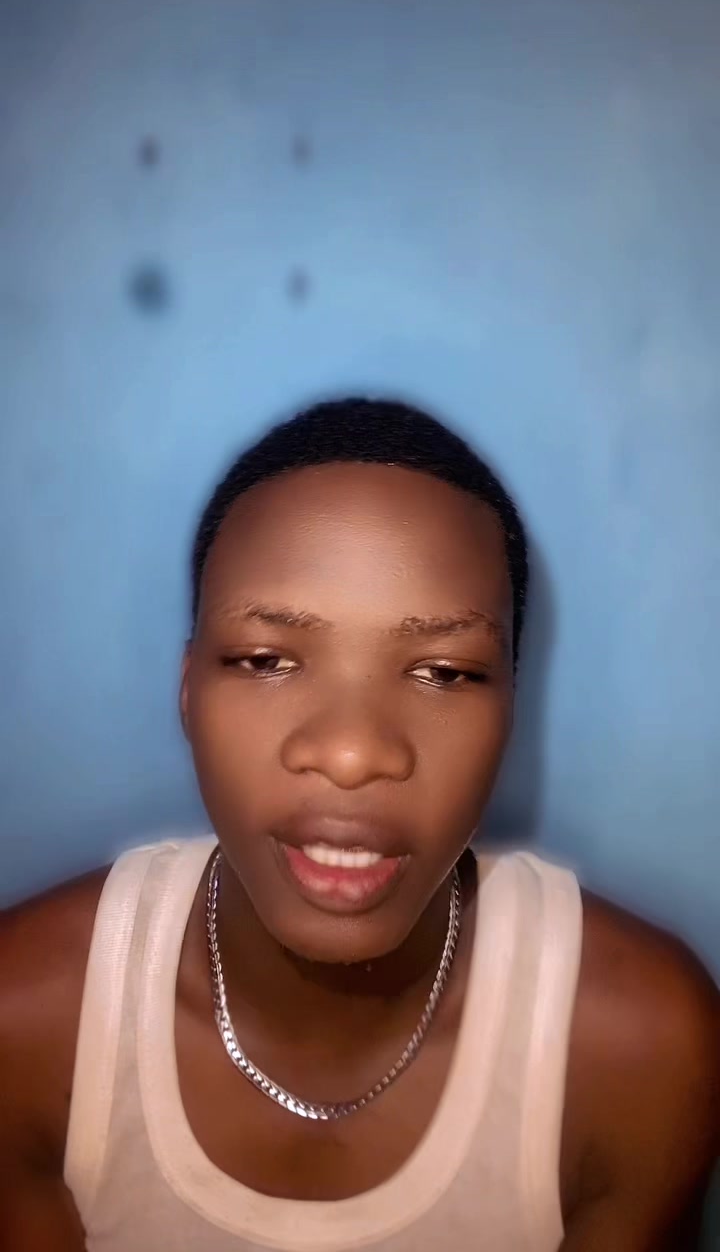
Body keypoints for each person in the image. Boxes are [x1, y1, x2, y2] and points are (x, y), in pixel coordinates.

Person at [0, 396, 717, 1252]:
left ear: (512, 710)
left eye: (444, 672)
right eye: (265, 659)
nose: (350, 754)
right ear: (188, 692)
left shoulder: (641, 1050)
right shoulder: (26, 1022)